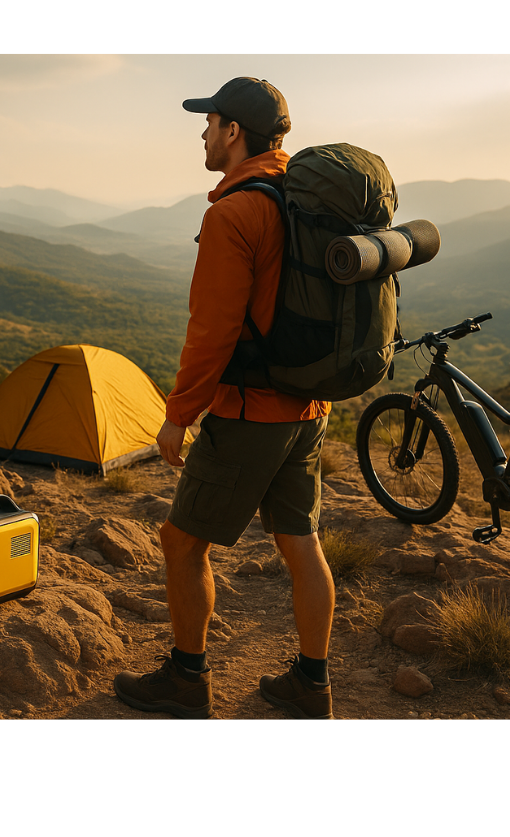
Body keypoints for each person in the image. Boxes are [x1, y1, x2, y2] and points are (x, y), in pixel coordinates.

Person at [112, 77, 336, 720]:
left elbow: (211, 333)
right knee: (301, 541)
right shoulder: (303, 196)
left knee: (181, 542)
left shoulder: (234, 211)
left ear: (233, 131)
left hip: (249, 412)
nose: (203, 134)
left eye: (208, 123)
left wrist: (177, 417)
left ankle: (186, 680)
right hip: (308, 408)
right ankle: (311, 684)